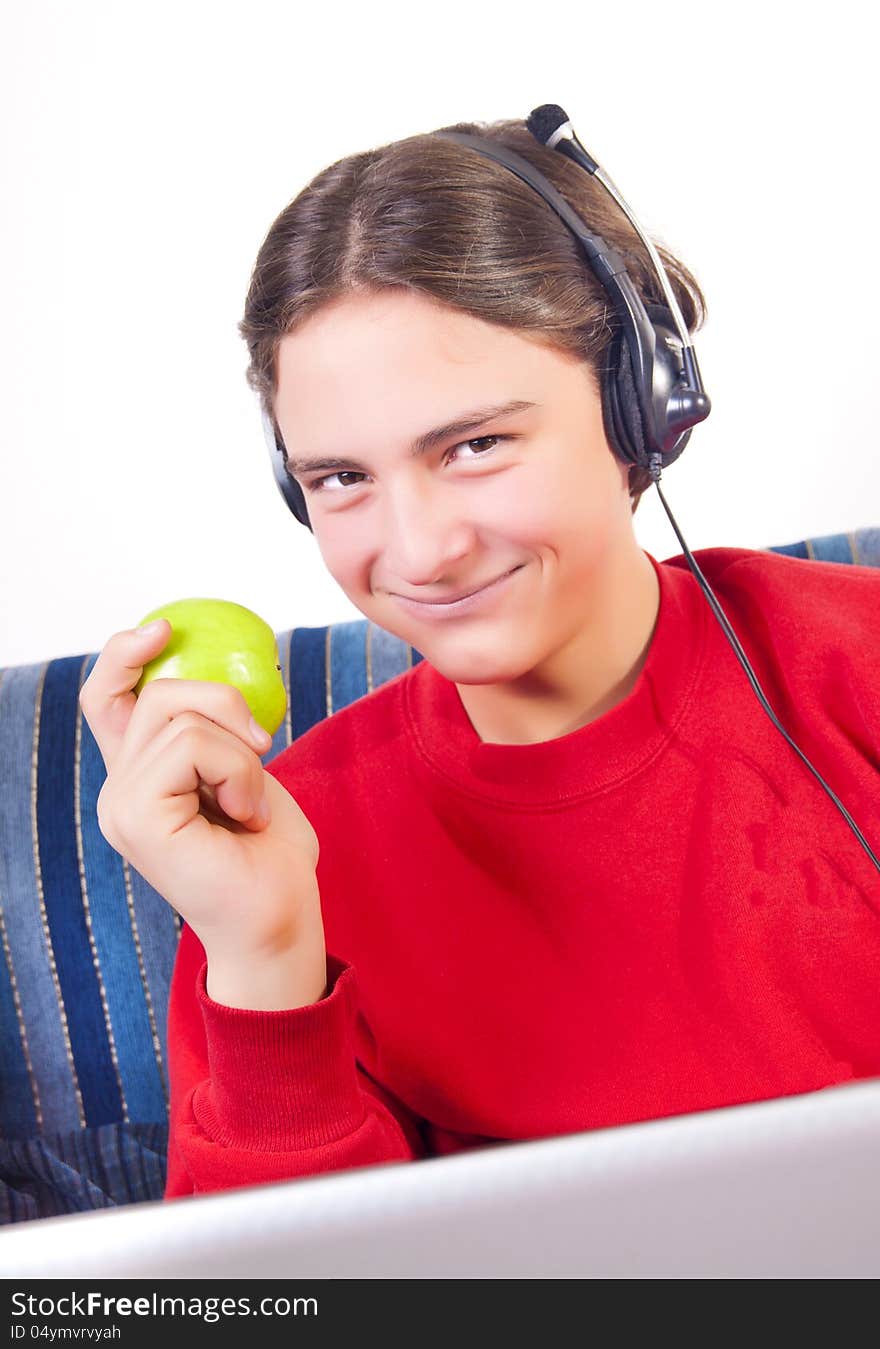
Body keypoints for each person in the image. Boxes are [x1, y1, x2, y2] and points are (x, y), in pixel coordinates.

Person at [78, 118, 880, 1203]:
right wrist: (264, 953)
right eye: (340, 478)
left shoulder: (852, 662)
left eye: (475, 444)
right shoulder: (282, 841)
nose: (419, 551)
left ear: (641, 405)